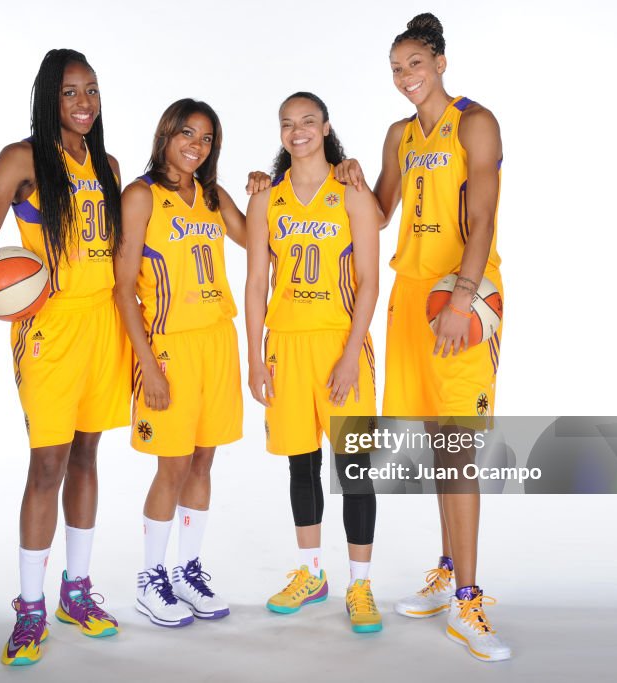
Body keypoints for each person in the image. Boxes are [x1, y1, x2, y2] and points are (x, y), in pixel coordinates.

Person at [335, 13, 510, 661]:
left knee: (461, 447)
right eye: (397, 68)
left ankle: (469, 601)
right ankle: (446, 571)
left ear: (440, 60)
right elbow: (380, 214)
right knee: (439, 443)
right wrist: (349, 180)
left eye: (415, 63)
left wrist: (464, 293)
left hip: (462, 295)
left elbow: (485, 214)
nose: (406, 76)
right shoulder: (398, 135)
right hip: (410, 296)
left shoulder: (475, 121)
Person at [0, 49, 130, 666]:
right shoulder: (21, 160)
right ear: (48, 97)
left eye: (92, 90)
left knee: (88, 453)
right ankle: (29, 608)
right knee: (47, 464)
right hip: (50, 332)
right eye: (70, 92)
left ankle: (75, 592)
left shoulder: (106, 164)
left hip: (105, 325)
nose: (83, 103)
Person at [244, 92, 385, 634]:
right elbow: (257, 283)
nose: (297, 131)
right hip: (286, 345)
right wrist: (255, 357)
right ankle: (311, 574)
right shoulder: (266, 199)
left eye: (307, 121)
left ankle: (360, 583)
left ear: (325, 127)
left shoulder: (350, 191)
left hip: (339, 343)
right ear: (280, 133)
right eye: (287, 124)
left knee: (353, 470)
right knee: (299, 464)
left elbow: (370, 281)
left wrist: (352, 354)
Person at [114, 99, 246, 628]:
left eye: (208, 138)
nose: (196, 145)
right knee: (171, 465)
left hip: (218, 340)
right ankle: (151, 579)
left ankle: (188, 570)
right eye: (187, 133)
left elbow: (258, 234)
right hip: (169, 345)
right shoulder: (141, 196)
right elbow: (124, 290)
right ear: (165, 135)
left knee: (202, 462)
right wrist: (147, 364)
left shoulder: (213, 196)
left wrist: (268, 185)